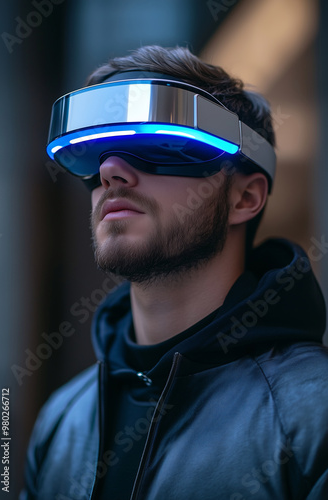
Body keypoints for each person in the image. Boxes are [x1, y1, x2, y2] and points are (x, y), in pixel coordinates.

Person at [20, 46, 328, 500]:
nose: (110, 171)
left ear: (245, 198)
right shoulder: (60, 421)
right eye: (95, 154)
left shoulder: (315, 413)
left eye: (157, 146)